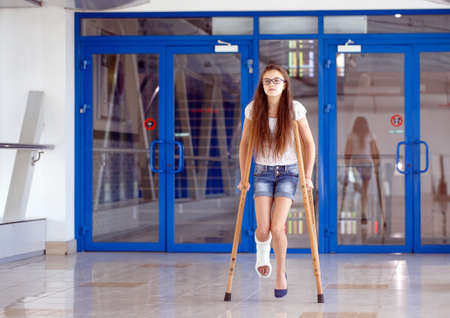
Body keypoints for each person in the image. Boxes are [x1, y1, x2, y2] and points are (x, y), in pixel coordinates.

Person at [237, 64, 315, 298]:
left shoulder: (295, 110)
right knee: (262, 229)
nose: (272, 84)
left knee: (277, 226)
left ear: (285, 85)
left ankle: (281, 273)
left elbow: (309, 144)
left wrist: (308, 176)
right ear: (262, 85)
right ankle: (263, 254)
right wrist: (243, 177)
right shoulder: (253, 110)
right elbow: (244, 144)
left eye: (276, 81)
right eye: (267, 81)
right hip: (262, 171)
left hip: (289, 173)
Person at [342, 116, 381, 225]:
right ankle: (362, 209)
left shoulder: (355, 135)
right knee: (363, 189)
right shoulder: (367, 135)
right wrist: (377, 164)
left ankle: (361, 210)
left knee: (360, 188)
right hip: (364, 165)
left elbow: (347, 152)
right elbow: (375, 152)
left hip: (358, 165)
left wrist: (346, 166)